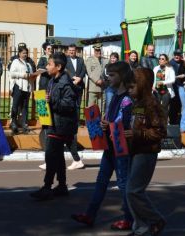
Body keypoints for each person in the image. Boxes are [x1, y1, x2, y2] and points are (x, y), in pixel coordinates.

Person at [71, 62, 134, 230]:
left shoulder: (127, 99)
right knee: (101, 182)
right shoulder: (114, 96)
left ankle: (129, 218)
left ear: (122, 76)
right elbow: (109, 116)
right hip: (110, 146)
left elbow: (123, 122)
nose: (109, 77)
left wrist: (109, 124)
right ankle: (90, 215)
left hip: (120, 147)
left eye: (113, 75)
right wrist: (100, 123)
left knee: (123, 184)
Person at [30, 52, 79, 201]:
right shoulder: (52, 80)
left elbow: (69, 105)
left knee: (51, 155)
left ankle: (47, 187)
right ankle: (62, 185)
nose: (47, 66)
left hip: (61, 125)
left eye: (50, 64)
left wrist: (51, 101)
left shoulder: (66, 83)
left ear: (58, 67)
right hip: (53, 123)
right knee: (57, 156)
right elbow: (51, 101)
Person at [125, 68, 167, 236]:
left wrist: (137, 134)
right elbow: (136, 125)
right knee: (131, 192)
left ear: (142, 85)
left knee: (133, 191)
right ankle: (141, 228)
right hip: (134, 150)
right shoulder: (138, 104)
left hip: (147, 153)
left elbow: (160, 132)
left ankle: (156, 220)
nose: (129, 90)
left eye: (132, 87)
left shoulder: (152, 104)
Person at [9, 47, 34, 134]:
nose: (25, 54)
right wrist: (23, 75)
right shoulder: (16, 62)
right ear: (19, 53)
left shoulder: (28, 64)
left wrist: (33, 76)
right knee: (15, 106)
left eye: (26, 53)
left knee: (25, 107)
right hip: (18, 87)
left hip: (26, 88)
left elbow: (30, 75)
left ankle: (24, 124)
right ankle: (13, 123)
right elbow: (12, 73)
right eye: (23, 53)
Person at [86, 43, 108, 110]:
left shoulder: (105, 60)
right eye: (96, 50)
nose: (98, 52)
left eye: (99, 50)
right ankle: (90, 120)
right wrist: (97, 80)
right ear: (94, 51)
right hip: (93, 88)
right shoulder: (89, 60)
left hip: (102, 87)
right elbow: (89, 72)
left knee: (102, 108)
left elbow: (107, 72)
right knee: (91, 107)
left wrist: (103, 80)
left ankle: (101, 120)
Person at [153, 54, 175, 120]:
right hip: (157, 91)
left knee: (164, 107)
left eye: (162, 59)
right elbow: (153, 79)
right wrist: (153, 86)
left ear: (166, 61)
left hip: (166, 91)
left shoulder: (170, 69)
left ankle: (164, 123)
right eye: (159, 58)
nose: (160, 60)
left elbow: (173, 80)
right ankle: (157, 123)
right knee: (157, 107)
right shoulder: (156, 68)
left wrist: (163, 82)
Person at [169, 49, 184, 125]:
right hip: (173, 87)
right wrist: (178, 77)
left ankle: (178, 122)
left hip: (181, 87)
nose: (176, 56)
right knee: (173, 106)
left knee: (180, 105)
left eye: (178, 55)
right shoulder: (170, 63)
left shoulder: (183, 63)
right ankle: (172, 123)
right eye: (175, 55)